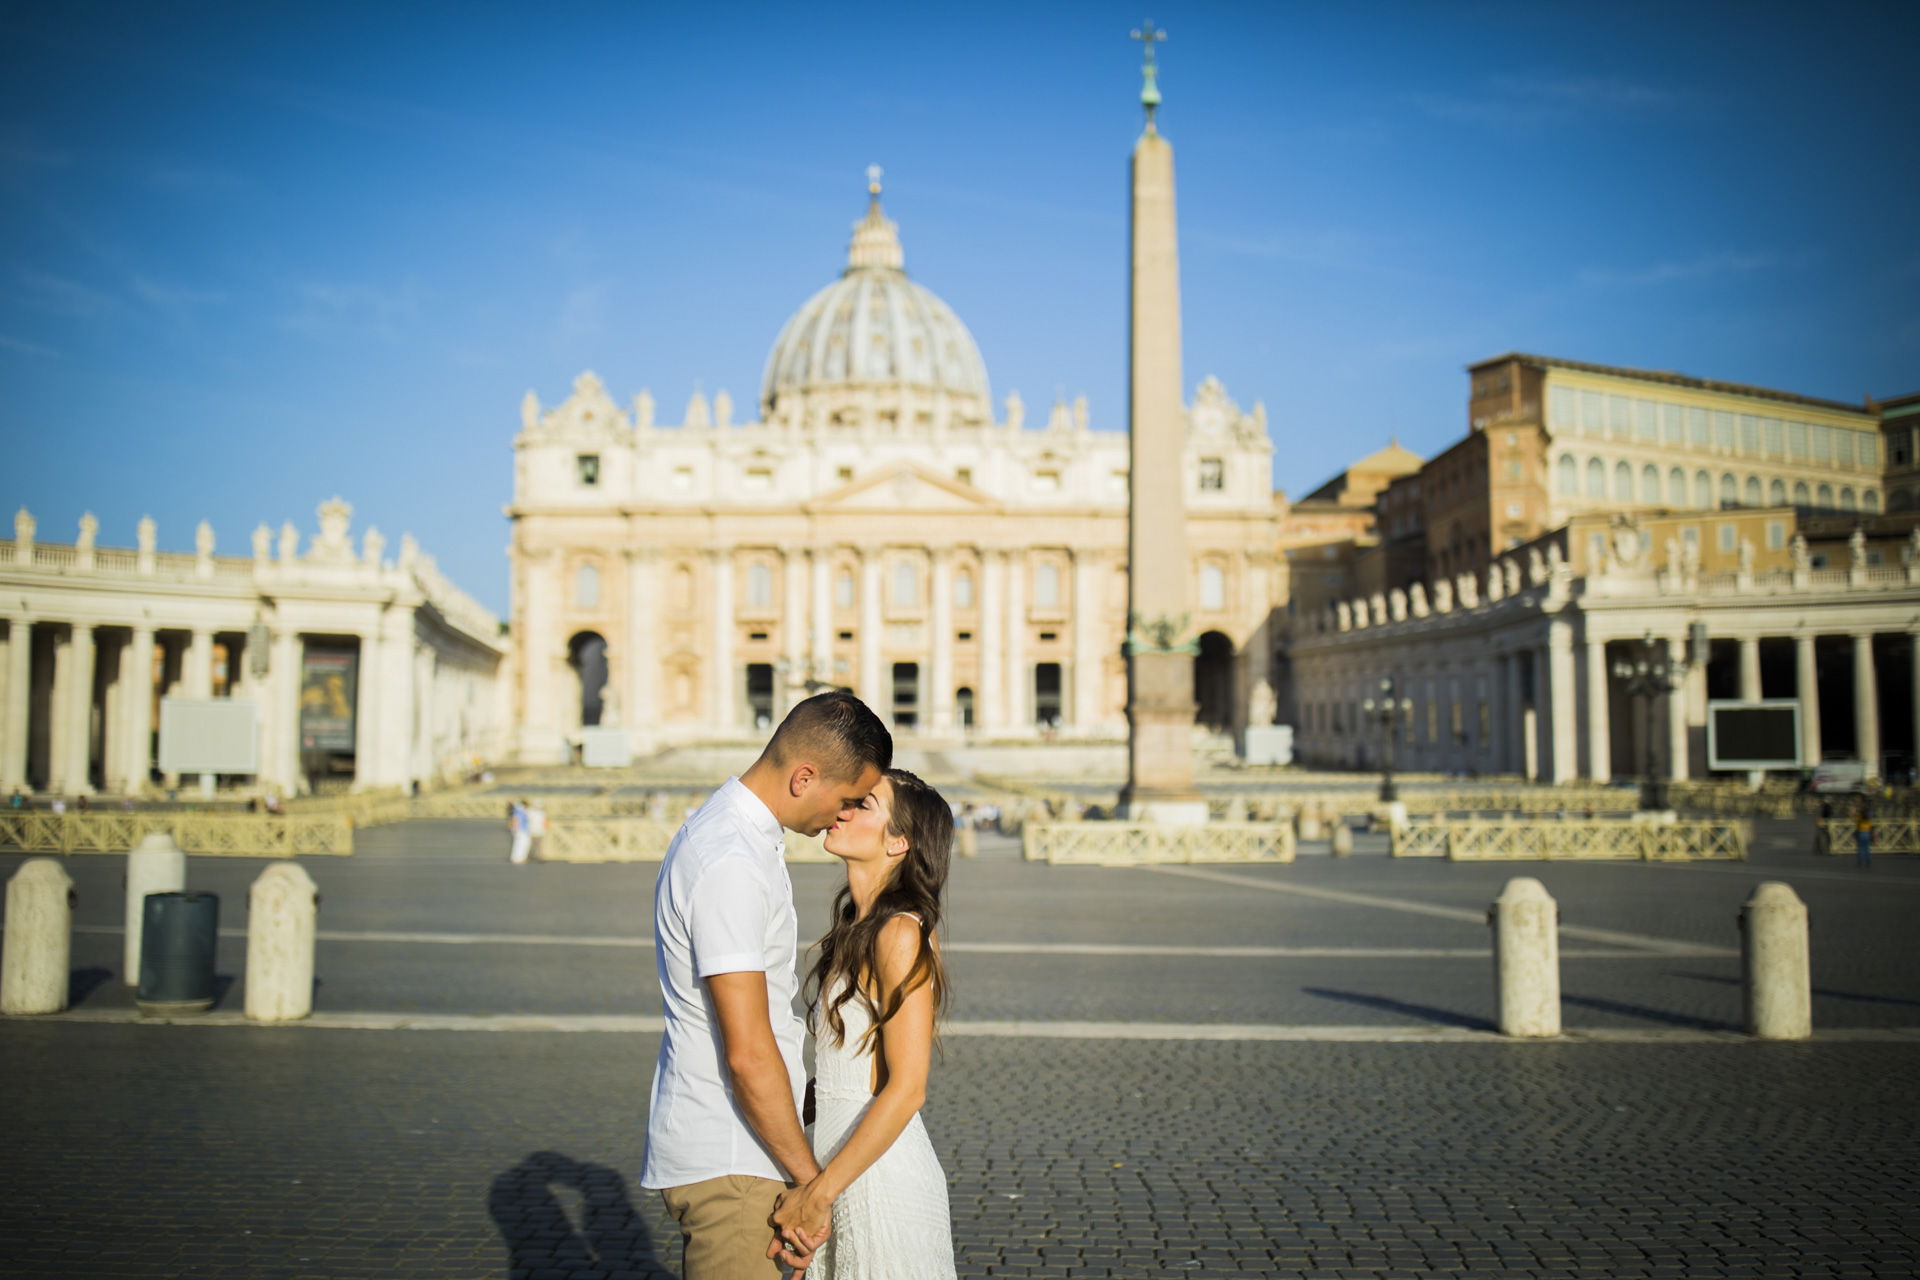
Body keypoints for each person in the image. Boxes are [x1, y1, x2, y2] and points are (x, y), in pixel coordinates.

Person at [640, 690, 892, 1280]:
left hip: (742, 1150)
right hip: (733, 1157)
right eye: (847, 798)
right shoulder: (730, 860)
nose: (846, 814)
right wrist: (810, 1184)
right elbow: (750, 1051)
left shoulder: (739, 840)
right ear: (805, 777)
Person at [771, 767, 957, 1279]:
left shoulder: (900, 932)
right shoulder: (859, 926)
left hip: (879, 1179)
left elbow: (908, 1088)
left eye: (864, 804)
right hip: (840, 1160)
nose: (843, 808)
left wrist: (818, 1194)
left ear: (899, 841)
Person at [507, 799, 531, 865]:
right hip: (520, 830)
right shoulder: (519, 811)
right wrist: (515, 829)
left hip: (522, 830)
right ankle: (517, 858)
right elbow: (515, 820)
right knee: (519, 844)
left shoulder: (520, 810)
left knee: (522, 844)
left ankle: (519, 858)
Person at [1854, 803, 1873, 869]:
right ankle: (1868, 861)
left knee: (1861, 848)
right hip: (1867, 833)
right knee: (1867, 848)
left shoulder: (1860, 817)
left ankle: (1861, 861)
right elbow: (1871, 826)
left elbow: (1855, 818)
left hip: (1861, 832)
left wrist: (1856, 810)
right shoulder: (1868, 818)